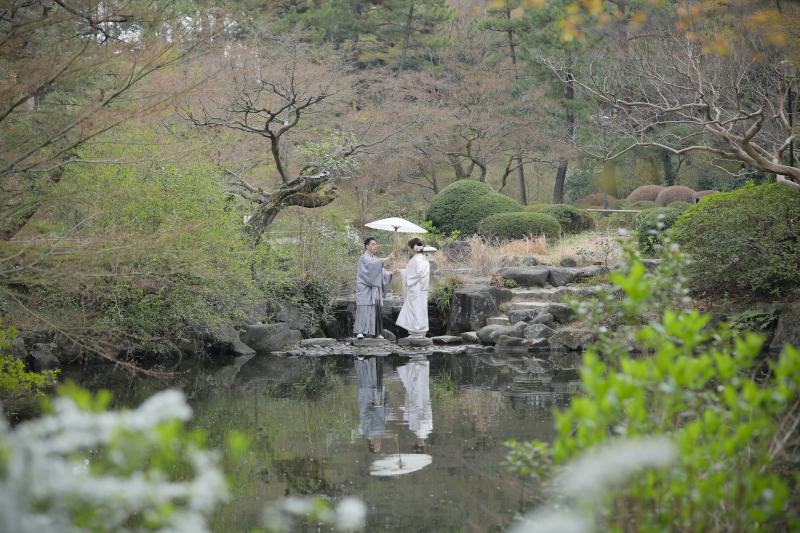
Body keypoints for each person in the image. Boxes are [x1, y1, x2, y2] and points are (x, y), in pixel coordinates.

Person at [354, 237, 399, 339]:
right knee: (363, 309)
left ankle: (377, 332)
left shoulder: (374, 258)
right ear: (367, 246)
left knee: (375, 309)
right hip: (365, 288)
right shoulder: (363, 258)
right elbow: (372, 265)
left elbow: (380, 272)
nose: (375, 246)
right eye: (373, 244)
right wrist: (388, 258)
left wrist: (390, 273)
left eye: (376, 244)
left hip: (373, 288)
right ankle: (360, 332)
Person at [396, 237, 430, 338]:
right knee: (419, 308)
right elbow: (414, 271)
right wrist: (401, 271)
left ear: (412, 248)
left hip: (416, 288)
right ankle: (419, 331)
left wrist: (409, 280)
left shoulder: (418, 259)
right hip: (419, 287)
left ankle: (416, 331)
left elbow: (418, 273)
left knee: (416, 308)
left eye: (409, 246)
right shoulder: (421, 258)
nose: (408, 248)